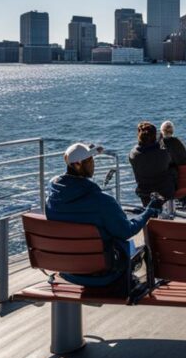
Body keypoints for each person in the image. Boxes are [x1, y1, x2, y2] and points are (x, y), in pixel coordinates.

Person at [45, 142, 160, 296]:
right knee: (134, 246)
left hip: (67, 269)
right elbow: (126, 231)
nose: (93, 164)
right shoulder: (102, 201)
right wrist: (147, 212)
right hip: (103, 274)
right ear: (78, 165)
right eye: (90, 161)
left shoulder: (52, 199)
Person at [129, 121, 176, 206]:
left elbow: (142, 151)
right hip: (164, 191)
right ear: (155, 135)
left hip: (144, 192)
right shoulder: (163, 153)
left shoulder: (133, 154)